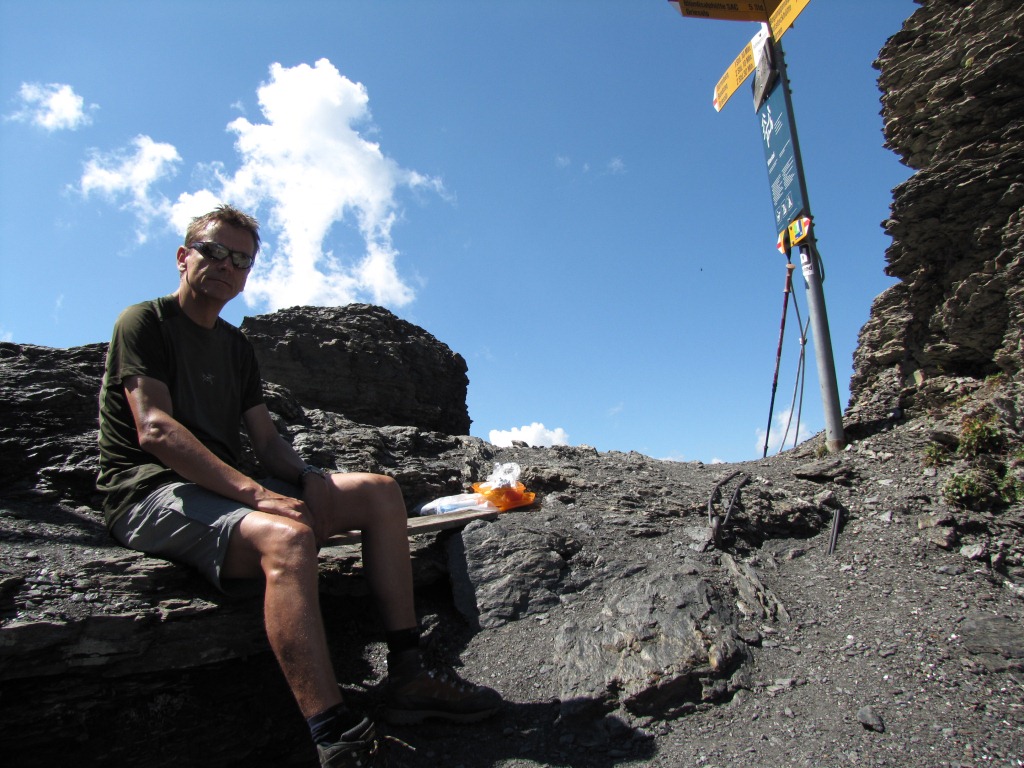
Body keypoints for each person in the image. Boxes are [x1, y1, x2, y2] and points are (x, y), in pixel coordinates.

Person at [97, 204, 500, 767]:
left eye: (241, 260)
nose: (226, 266)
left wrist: (308, 478)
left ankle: (409, 674)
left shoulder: (236, 347)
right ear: (184, 256)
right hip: (150, 493)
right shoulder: (144, 322)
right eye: (213, 251)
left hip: (224, 487)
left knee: (380, 492)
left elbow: (266, 441)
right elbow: (156, 431)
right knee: (286, 539)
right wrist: (259, 496)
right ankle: (334, 734)